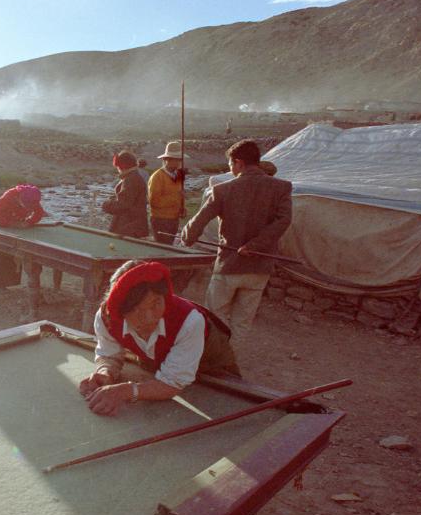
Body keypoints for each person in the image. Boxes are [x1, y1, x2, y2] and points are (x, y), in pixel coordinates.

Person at [79, 260, 239, 416]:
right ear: (121, 312)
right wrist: (105, 372)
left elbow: (171, 382)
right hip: (164, 366)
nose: (150, 317)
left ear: (164, 295)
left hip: (213, 366)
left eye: (156, 303)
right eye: (138, 310)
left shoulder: (190, 321)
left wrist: (125, 391)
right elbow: (109, 355)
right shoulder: (107, 318)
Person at [181, 139, 292, 352]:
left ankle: (216, 357)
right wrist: (256, 245)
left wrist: (186, 237)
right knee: (243, 321)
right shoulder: (281, 187)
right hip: (260, 268)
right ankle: (231, 359)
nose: (230, 169)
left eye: (231, 164)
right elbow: (283, 221)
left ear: (239, 163)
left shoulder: (223, 190)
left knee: (215, 316)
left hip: (229, 266)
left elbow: (198, 221)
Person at [101, 150, 148, 238]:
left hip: (129, 226)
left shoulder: (130, 179)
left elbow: (124, 204)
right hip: (133, 225)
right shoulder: (134, 176)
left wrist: (106, 205)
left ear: (122, 166)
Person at [147, 141, 187, 243]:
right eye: (176, 159)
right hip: (160, 220)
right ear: (166, 160)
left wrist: (182, 208)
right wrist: (176, 197)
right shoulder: (157, 177)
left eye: (180, 159)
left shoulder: (178, 175)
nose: (179, 162)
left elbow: (179, 196)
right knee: (163, 247)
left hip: (174, 220)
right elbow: (154, 202)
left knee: (169, 245)